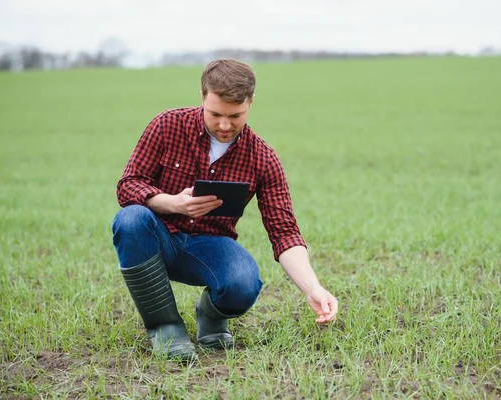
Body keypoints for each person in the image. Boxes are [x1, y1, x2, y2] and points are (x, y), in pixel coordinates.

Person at [112, 58, 338, 362]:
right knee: (130, 220)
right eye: (215, 113)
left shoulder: (262, 158)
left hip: (209, 247)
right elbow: (128, 184)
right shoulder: (167, 126)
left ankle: (211, 317)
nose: (224, 125)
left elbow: (284, 233)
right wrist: (172, 202)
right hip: (157, 239)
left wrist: (313, 288)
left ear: (251, 103)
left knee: (244, 281)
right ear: (203, 96)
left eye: (235, 115)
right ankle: (165, 327)